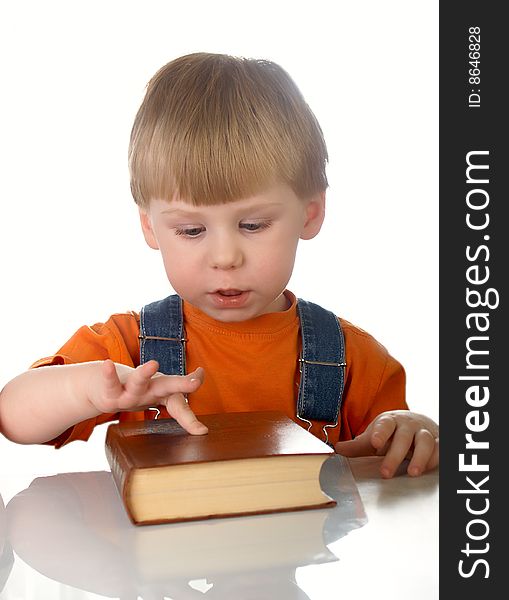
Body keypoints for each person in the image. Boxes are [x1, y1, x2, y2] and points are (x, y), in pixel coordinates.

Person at [0, 52, 438, 478]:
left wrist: (415, 434)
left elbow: (401, 468)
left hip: (304, 553)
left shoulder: (355, 360)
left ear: (310, 213)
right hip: (162, 552)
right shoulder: (128, 347)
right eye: (191, 231)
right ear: (150, 228)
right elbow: (14, 417)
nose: (225, 258)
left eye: (252, 224)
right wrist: (88, 390)